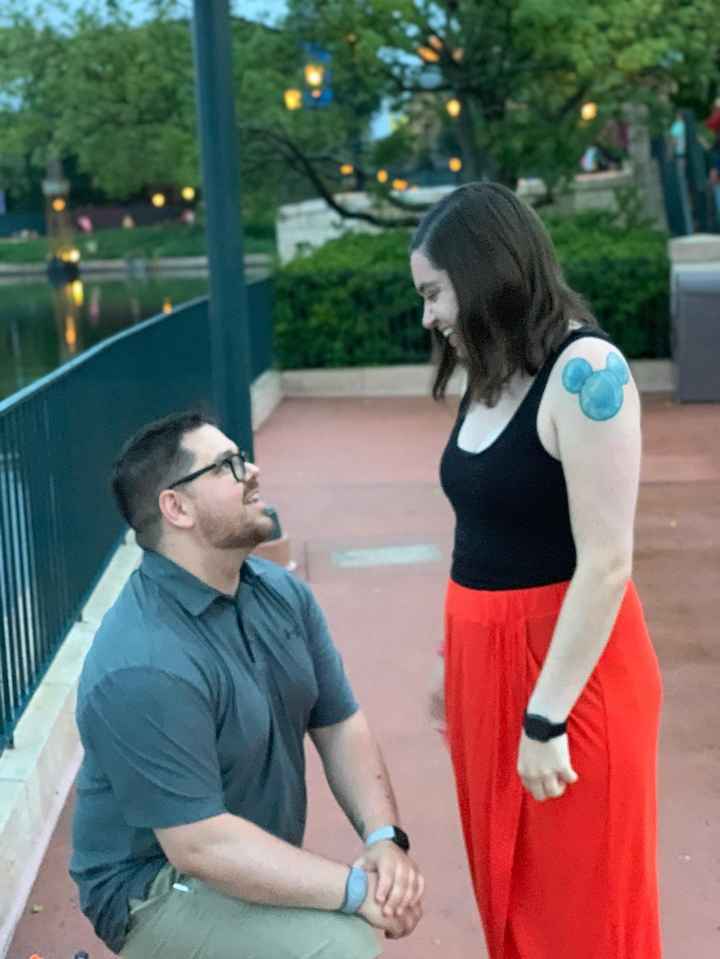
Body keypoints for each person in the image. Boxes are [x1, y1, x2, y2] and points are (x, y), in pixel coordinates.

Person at [410, 182, 662, 959]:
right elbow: (482, 529)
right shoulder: (491, 366)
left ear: (484, 275)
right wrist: (456, 658)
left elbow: (608, 559)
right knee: (509, 898)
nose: (429, 317)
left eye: (434, 293)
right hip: (487, 664)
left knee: (580, 911)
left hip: (569, 671)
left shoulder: (587, 373)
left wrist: (545, 715)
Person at [69, 411, 424, 958]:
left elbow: (339, 724)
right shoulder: (143, 659)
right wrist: (357, 892)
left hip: (233, 854)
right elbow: (200, 846)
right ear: (176, 507)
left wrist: (384, 840)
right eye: (227, 466)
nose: (252, 471)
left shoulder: (280, 592)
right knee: (339, 947)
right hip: (151, 887)